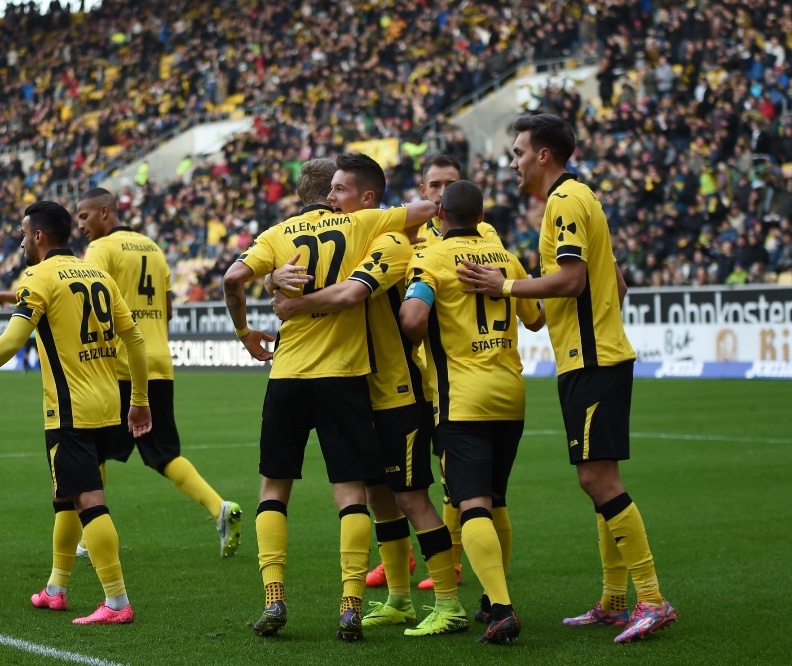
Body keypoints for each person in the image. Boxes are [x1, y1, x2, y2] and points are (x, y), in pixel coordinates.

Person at [457, 114, 677, 644]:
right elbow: (616, 284)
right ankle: (615, 600)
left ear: (543, 155)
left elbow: (575, 278)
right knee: (598, 478)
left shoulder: (564, 202)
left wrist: (505, 287)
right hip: (591, 357)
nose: (512, 162)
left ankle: (652, 599)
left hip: (593, 360)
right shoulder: (581, 198)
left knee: (597, 480)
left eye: (518, 153)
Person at [222, 157, 438, 641]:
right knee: (351, 493)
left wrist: (247, 329)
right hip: (345, 375)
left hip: (288, 373)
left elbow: (233, 278)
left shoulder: (278, 234)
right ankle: (350, 606)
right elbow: (426, 208)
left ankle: (274, 598)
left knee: (273, 488)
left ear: (303, 193)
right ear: (333, 193)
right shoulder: (363, 223)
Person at [269, 153, 466, 636]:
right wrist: (274, 276)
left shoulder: (390, 242)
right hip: (359, 390)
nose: (331, 198)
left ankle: (449, 603)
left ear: (368, 199)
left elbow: (351, 294)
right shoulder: (351, 238)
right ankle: (399, 598)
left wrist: (292, 306)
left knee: (412, 498)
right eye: (331, 189)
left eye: (339, 191)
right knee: (379, 499)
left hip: (397, 389)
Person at [0, 201, 152, 626]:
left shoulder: (39, 277)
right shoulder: (98, 274)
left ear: (38, 236)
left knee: (88, 499)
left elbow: (11, 341)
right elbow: (135, 339)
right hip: (107, 406)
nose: (20, 242)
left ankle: (116, 600)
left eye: (22, 233)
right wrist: (139, 399)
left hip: (70, 410)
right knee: (64, 496)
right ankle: (56, 588)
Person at [401, 180, 545, 644]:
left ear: (439, 214)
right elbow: (536, 318)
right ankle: (490, 598)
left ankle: (501, 609)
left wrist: (409, 333)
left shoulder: (432, 257)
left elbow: (413, 319)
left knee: (472, 504)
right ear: (482, 216)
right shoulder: (506, 257)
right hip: (511, 393)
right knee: (496, 499)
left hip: (463, 399)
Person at [75, 187, 242, 558]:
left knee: (91, 451)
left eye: (84, 217)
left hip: (118, 365)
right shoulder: (153, 248)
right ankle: (219, 507)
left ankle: (89, 536)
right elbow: (166, 310)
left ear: (104, 212)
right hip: (159, 363)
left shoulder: (101, 249)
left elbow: (91, 306)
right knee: (163, 454)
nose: (81, 226)